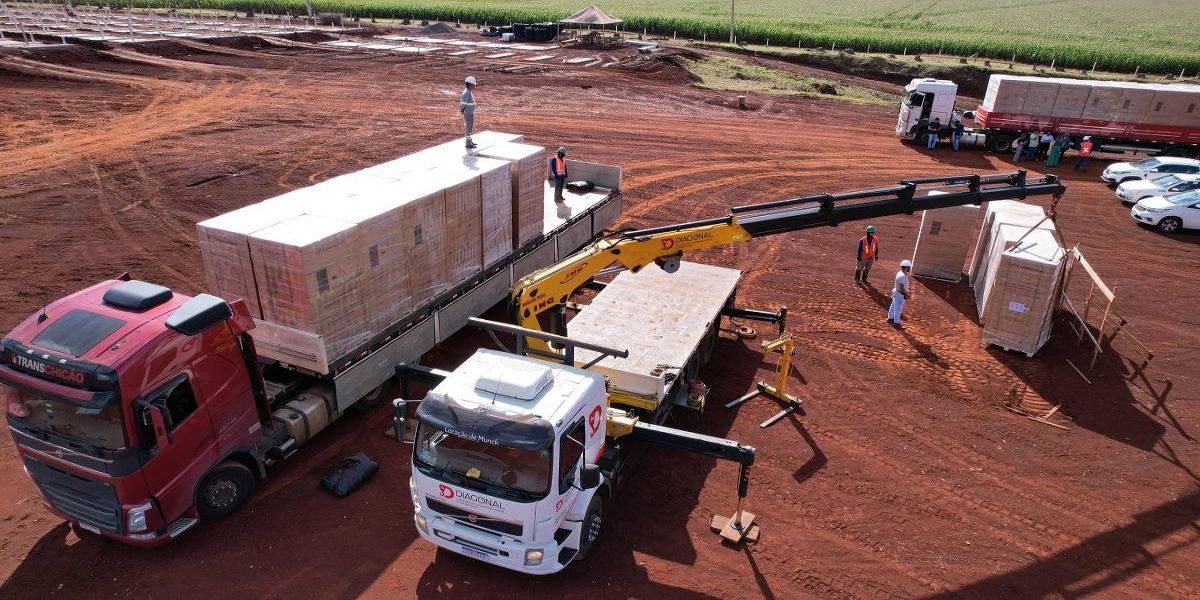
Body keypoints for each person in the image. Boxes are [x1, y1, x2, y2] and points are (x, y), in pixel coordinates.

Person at [887, 259, 913, 328]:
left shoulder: (900, 273)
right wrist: (906, 294)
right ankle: (896, 323)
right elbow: (901, 288)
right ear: (906, 267)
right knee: (898, 309)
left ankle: (890, 318)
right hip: (899, 295)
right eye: (909, 267)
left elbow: (902, 285)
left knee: (893, 306)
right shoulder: (902, 276)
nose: (909, 269)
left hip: (897, 293)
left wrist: (907, 288)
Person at [460, 76, 478, 149]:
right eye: (474, 84)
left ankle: (469, 141)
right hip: (468, 113)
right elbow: (463, 103)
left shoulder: (468, 91)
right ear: (470, 85)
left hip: (470, 112)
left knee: (470, 127)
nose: (475, 85)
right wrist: (462, 109)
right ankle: (468, 143)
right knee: (468, 127)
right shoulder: (467, 92)